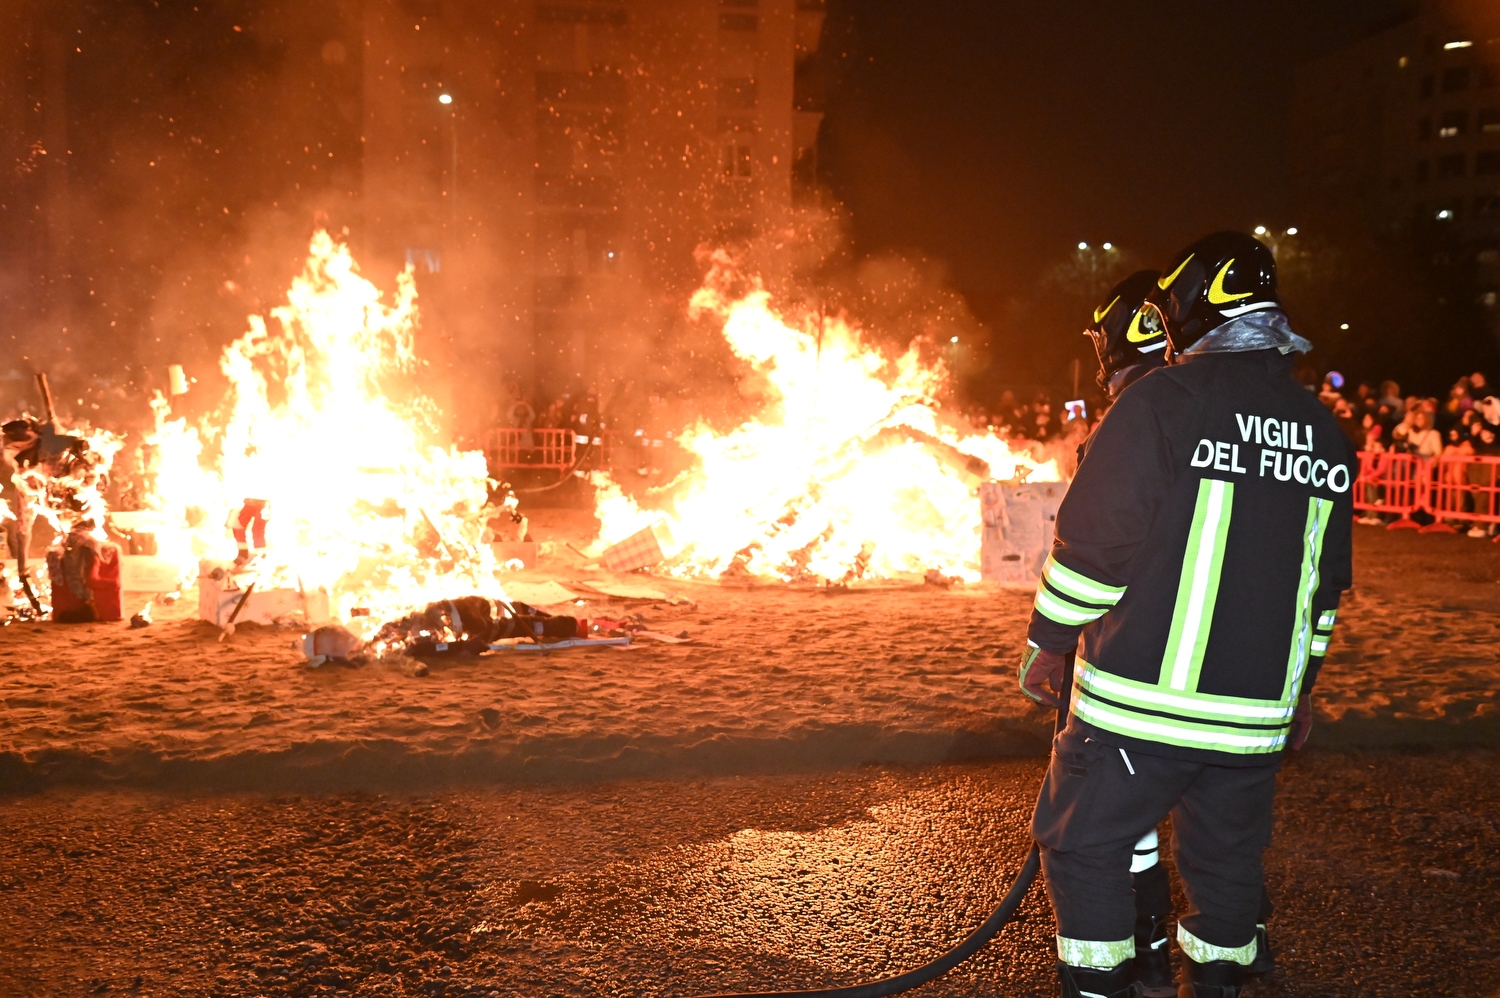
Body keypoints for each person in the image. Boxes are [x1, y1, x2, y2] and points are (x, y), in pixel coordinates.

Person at [1019, 231, 1354, 998]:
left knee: (1081, 846)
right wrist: (1300, 690)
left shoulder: (1159, 403)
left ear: (1204, 300)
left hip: (1144, 709)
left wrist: (1048, 642)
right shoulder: (1323, 428)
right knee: (1226, 867)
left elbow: (1093, 548)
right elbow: (1322, 590)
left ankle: (1105, 987)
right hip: (1256, 718)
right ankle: (1220, 989)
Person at [1078, 269, 1176, 996]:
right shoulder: (1193, 404)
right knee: (1213, 826)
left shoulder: (1133, 418)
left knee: (1095, 831)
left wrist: (1051, 643)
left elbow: (1092, 547)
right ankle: (1175, 957)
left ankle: (1127, 970)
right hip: (1197, 657)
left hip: (1135, 657)